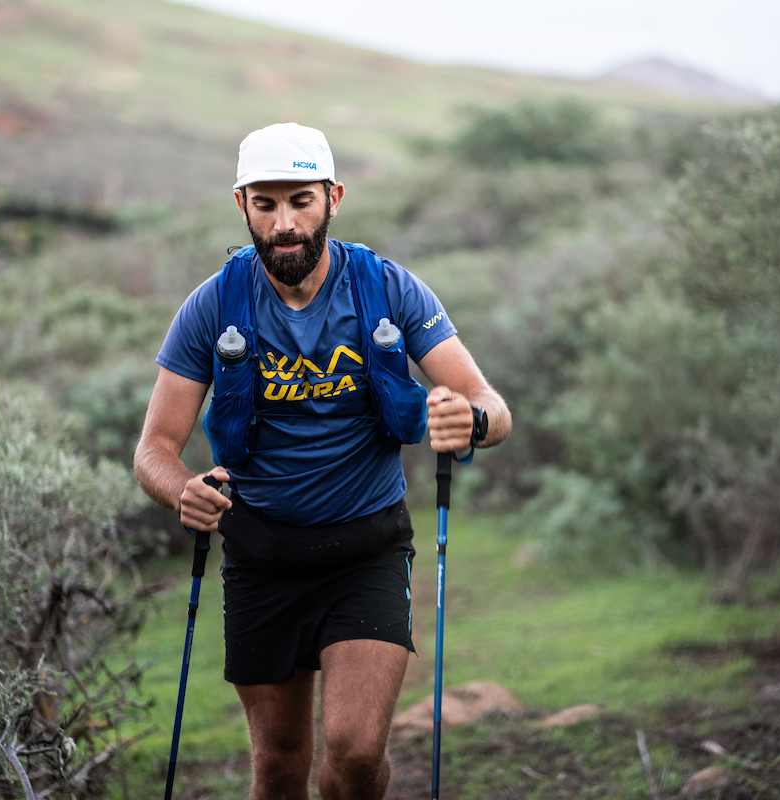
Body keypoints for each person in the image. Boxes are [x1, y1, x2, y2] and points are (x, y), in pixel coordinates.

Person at [134, 122, 510, 800]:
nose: (284, 224)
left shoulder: (389, 290)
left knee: (357, 752)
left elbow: (490, 404)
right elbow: (154, 449)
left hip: (367, 550)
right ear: (242, 205)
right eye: (265, 204)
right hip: (261, 557)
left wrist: (472, 419)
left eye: (300, 201)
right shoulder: (212, 306)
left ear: (333, 197)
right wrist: (182, 488)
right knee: (279, 765)